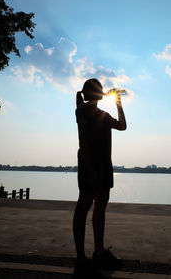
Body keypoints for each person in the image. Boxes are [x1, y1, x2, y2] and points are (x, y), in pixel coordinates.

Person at [73, 78, 127, 277]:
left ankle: (99, 251)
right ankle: (80, 257)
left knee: (100, 210)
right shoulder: (82, 112)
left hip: (104, 166)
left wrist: (118, 102)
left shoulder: (103, 115)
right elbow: (84, 141)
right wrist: (90, 169)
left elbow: (122, 125)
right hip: (90, 166)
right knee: (83, 209)